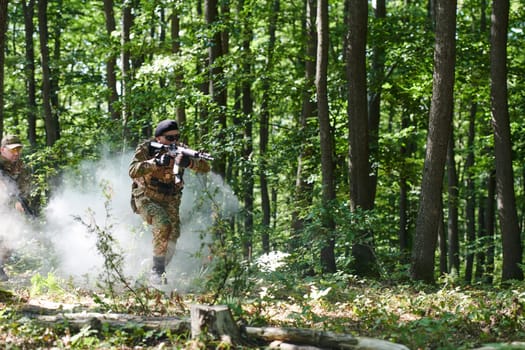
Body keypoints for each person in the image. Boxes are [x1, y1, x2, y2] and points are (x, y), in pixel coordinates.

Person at [129, 120, 211, 285]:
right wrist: (156, 162)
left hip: (171, 199)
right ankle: (157, 271)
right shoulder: (147, 148)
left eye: (177, 137)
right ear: (159, 138)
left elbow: (205, 167)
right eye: (169, 137)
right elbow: (132, 170)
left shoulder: (182, 148)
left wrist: (189, 162)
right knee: (162, 223)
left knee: (172, 235)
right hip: (146, 196)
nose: (174, 140)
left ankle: (155, 270)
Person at [0, 134, 33, 282]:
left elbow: (25, 187)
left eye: (19, 149)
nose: (17, 153)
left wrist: (25, 203)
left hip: (9, 208)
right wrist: (14, 200)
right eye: (13, 150)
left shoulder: (20, 166)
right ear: (2, 150)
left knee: (11, 236)